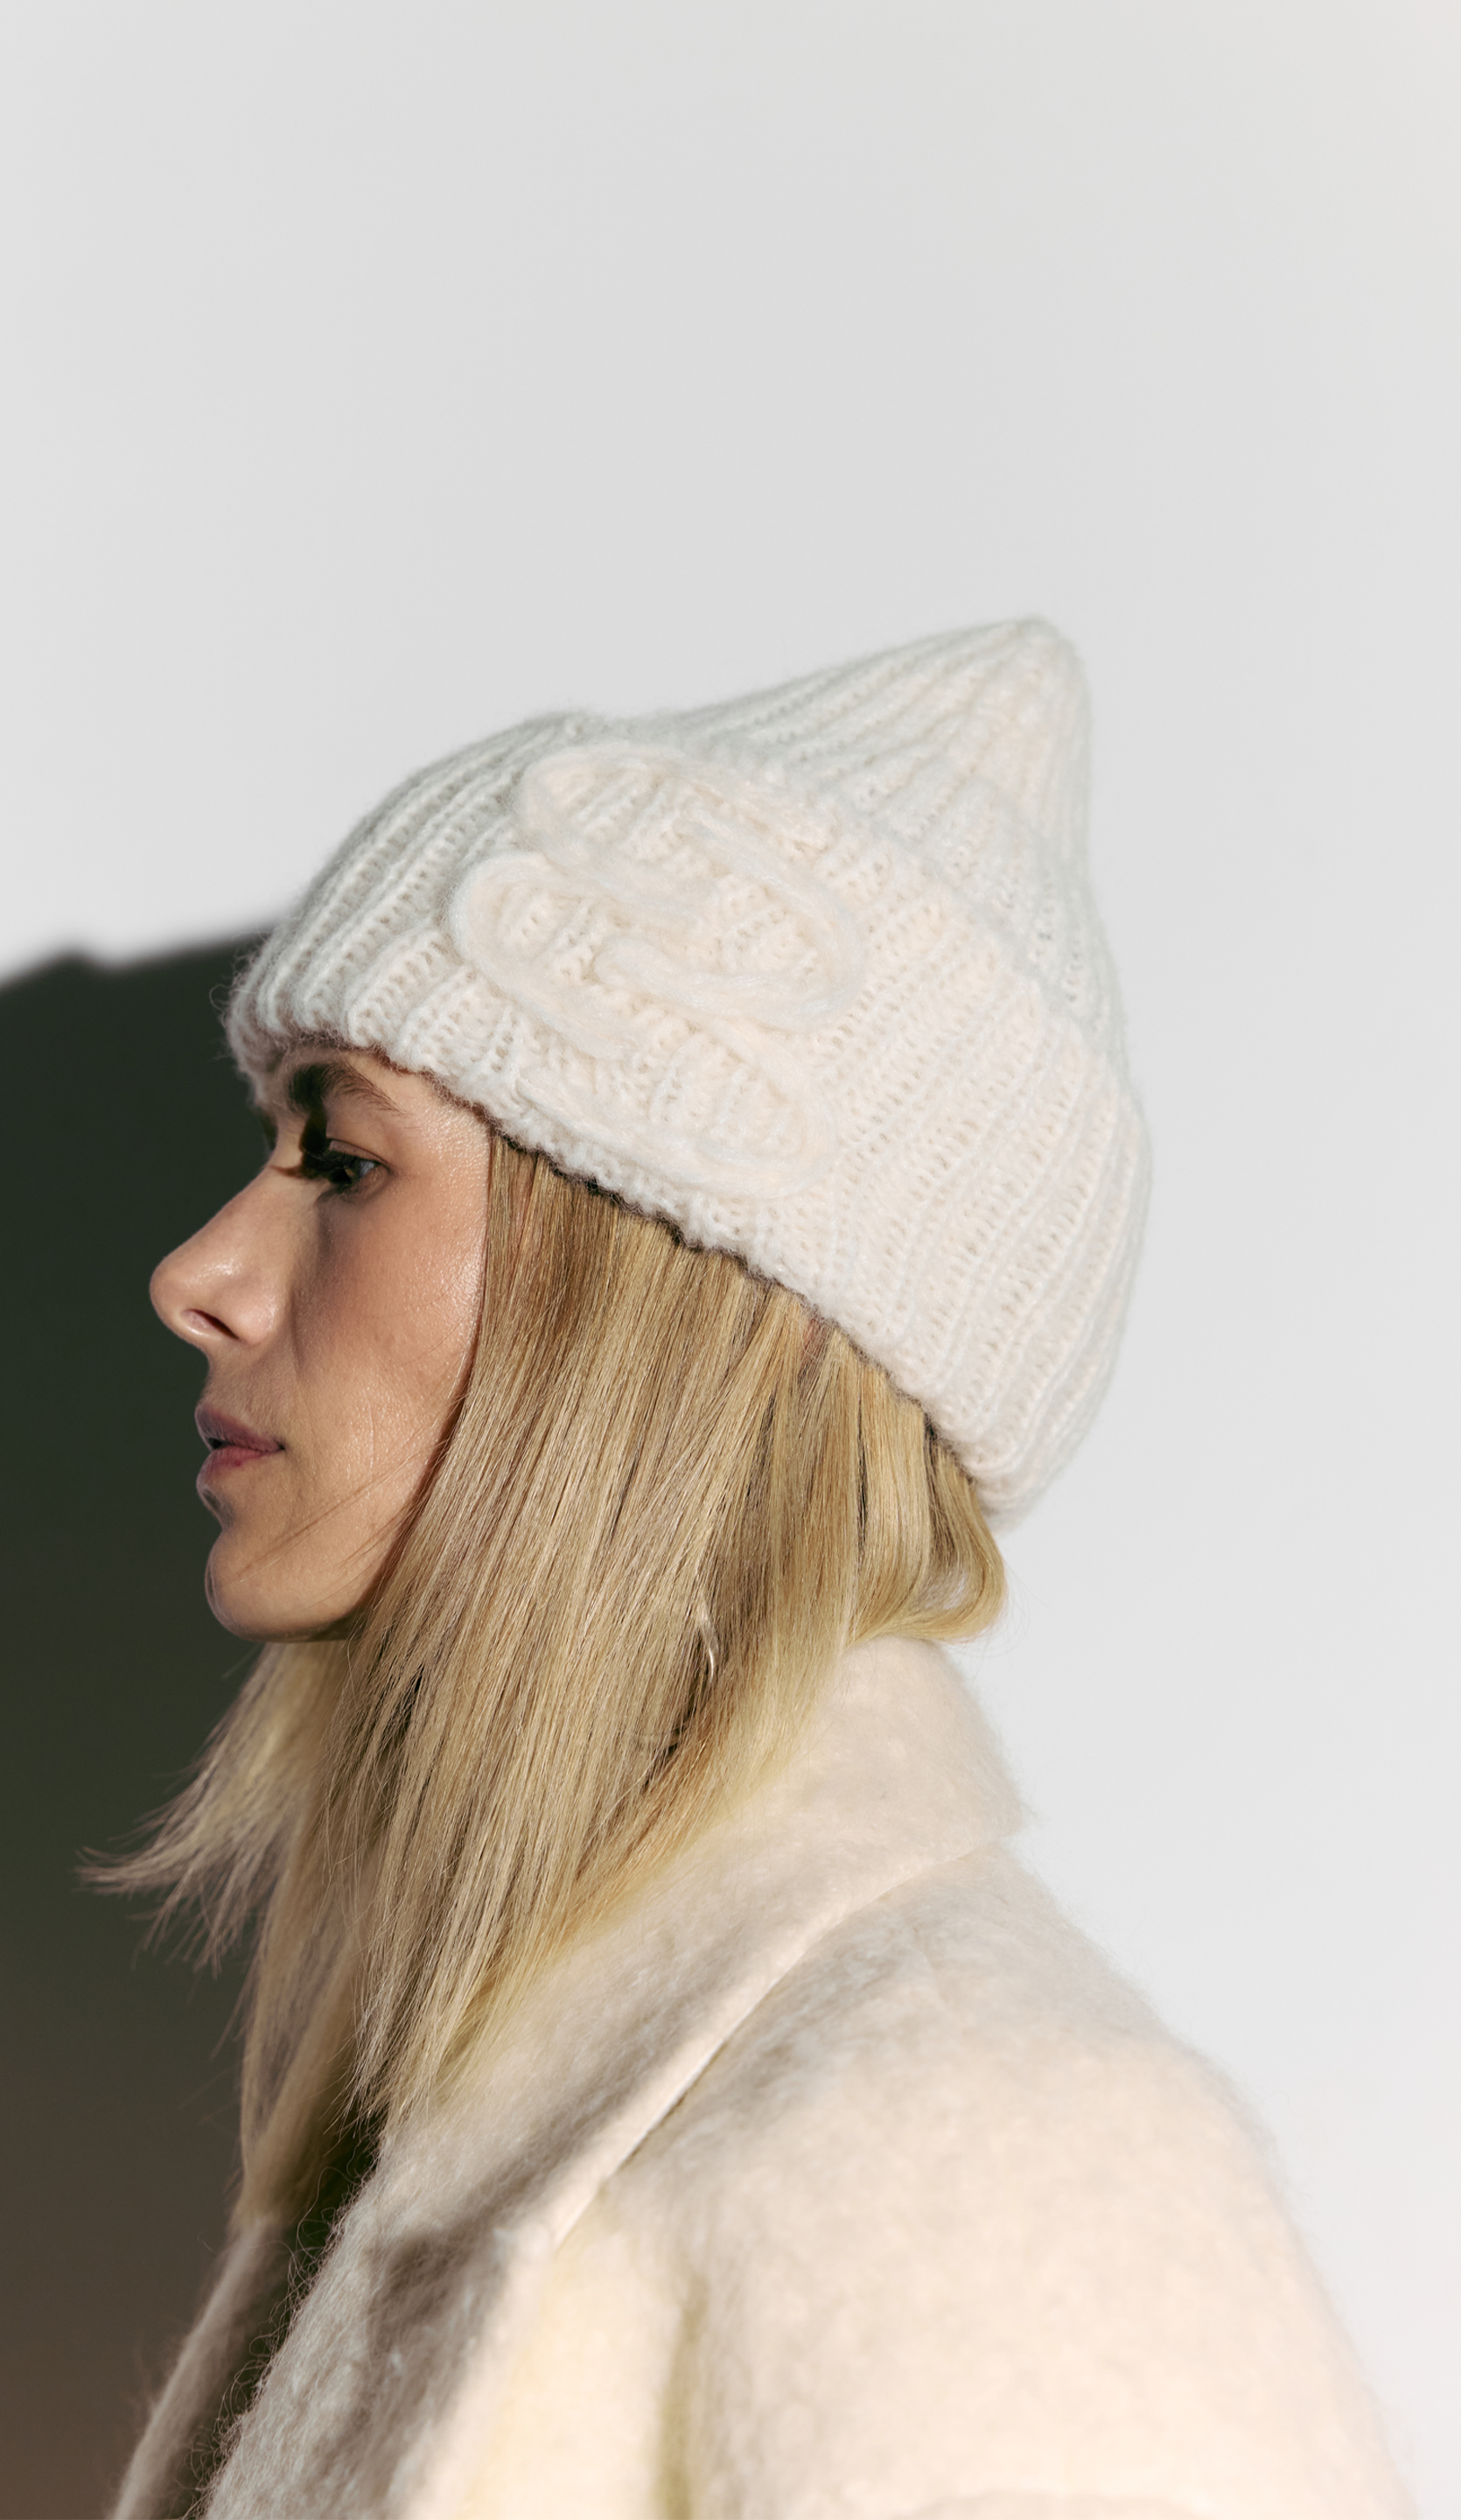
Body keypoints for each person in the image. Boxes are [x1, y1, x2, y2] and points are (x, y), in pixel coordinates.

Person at [109, 620, 1409, 2518]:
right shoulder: (445, 2109)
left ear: (704, 1299)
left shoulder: (981, 2148)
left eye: (345, 1159)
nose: (199, 1273)